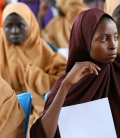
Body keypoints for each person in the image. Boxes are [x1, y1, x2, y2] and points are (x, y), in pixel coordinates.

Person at [30, 8, 120, 137]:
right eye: (104, 39)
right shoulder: (68, 82)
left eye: (116, 37)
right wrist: (65, 86)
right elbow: (41, 135)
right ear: (85, 41)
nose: (113, 45)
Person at [0, 2, 66, 127]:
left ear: (30, 24)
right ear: (3, 26)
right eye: (9, 26)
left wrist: (36, 77)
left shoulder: (42, 49)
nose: (14, 31)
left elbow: (61, 79)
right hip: (1, 113)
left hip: (35, 110)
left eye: (20, 25)